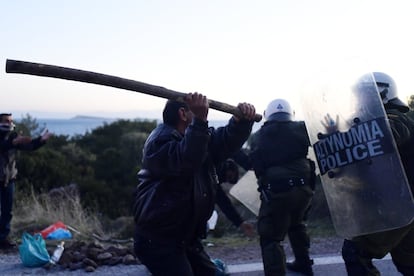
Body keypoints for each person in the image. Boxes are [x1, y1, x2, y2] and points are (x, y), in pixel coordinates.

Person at [132, 92, 256, 276]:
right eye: (194, 112)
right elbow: (187, 160)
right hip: (159, 241)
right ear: (183, 114)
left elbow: (223, 141)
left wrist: (241, 123)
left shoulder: (197, 139)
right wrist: (200, 119)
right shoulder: (159, 143)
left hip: (185, 237)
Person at [341, 72, 414, 276]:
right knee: (409, 263)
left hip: (400, 206)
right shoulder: (373, 122)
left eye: (362, 95)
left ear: (379, 93)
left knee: (355, 251)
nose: (358, 101)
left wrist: (349, 136)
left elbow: (389, 132)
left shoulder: (396, 117)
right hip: (404, 205)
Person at [248, 99, 316, 276]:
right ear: (290, 113)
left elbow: (256, 165)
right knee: (297, 224)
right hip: (304, 191)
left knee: (271, 238)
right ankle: (304, 265)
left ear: (267, 114)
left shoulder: (260, 136)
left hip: (277, 192)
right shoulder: (302, 128)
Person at [0, 113, 52, 249]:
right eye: (6, 121)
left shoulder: (12, 136)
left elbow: (29, 146)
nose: (10, 123)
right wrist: (12, 143)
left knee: (7, 211)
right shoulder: (10, 140)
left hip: (8, 179)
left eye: (11, 121)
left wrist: (42, 140)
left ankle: (2, 239)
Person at [215, 158, 255, 237]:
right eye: (229, 176)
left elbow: (223, 202)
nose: (224, 179)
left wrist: (240, 223)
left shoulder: (213, 181)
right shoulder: (208, 170)